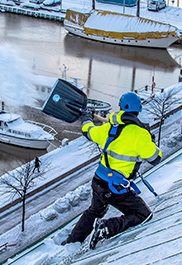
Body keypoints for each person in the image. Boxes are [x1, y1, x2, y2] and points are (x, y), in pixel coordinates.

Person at [63, 92, 162, 249]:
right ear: (139, 109)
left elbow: (88, 131)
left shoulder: (109, 128)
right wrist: (151, 142)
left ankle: (72, 241)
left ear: (121, 107)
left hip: (99, 181)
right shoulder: (140, 134)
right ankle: (106, 228)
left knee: (95, 210)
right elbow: (155, 158)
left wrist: (87, 119)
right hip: (115, 188)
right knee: (143, 215)